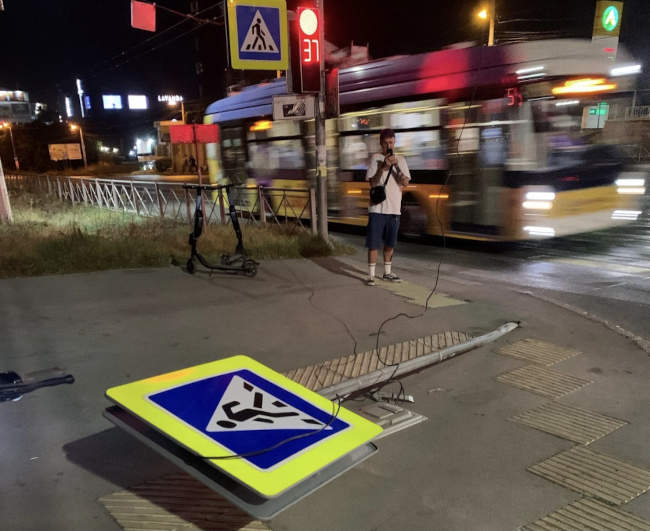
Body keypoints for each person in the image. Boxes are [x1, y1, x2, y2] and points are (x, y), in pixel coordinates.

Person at [365, 129, 411, 286]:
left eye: (391, 142)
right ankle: (371, 275)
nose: (389, 146)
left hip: (394, 209)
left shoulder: (401, 160)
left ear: (395, 142)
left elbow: (405, 183)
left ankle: (387, 272)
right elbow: (372, 182)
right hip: (377, 209)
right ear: (381, 143)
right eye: (386, 143)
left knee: (390, 243)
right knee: (374, 243)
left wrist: (397, 168)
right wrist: (383, 167)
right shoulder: (376, 159)